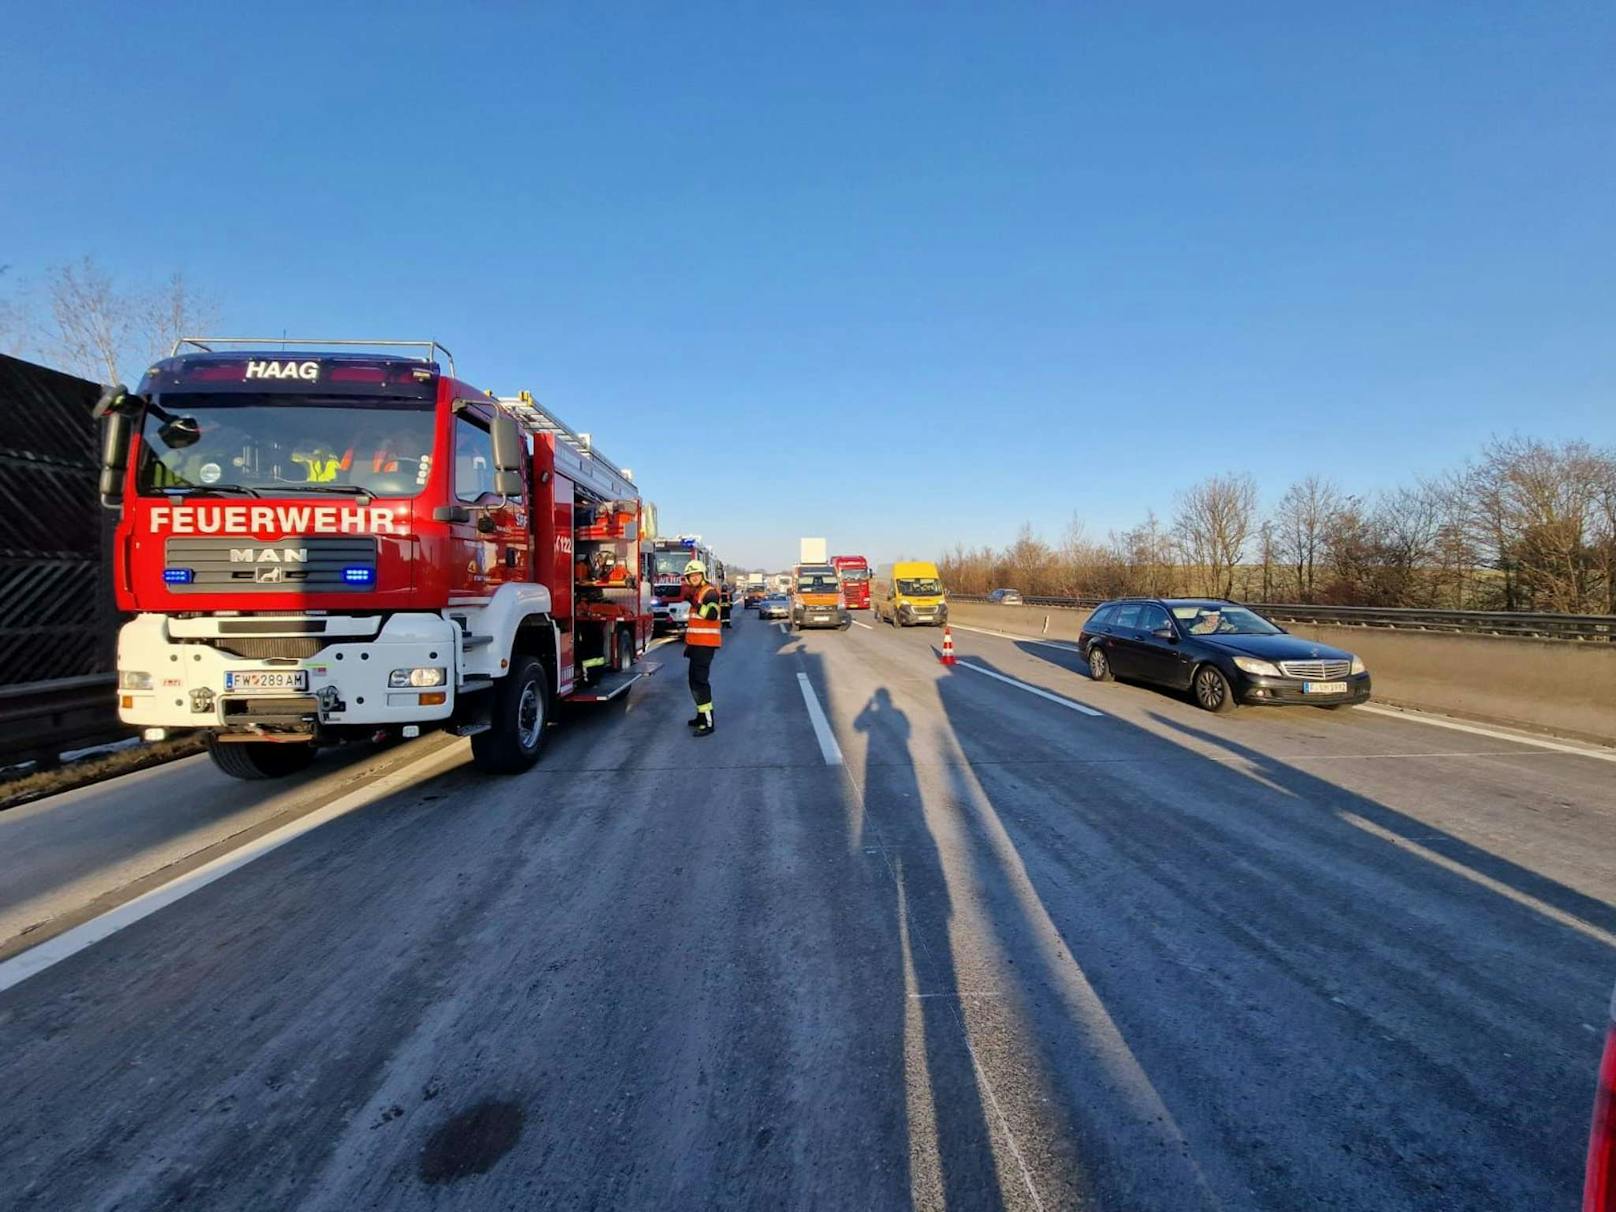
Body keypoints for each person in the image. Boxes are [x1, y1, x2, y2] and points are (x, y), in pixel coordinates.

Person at [681, 558, 722, 736]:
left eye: (697, 574)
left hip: (706, 645)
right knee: (693, 681)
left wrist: (694, 603)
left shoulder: (709, 592)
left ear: (703, 575)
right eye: (691, 575)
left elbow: (712, 614)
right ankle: (701, 715)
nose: (694, 577)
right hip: (697, 645)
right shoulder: (697, 592)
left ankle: (708, 721)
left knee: (700, 683)